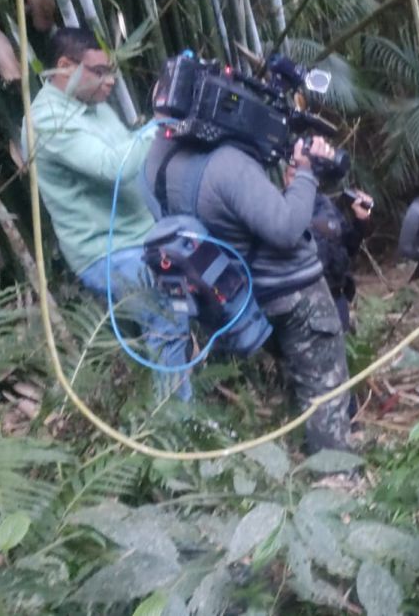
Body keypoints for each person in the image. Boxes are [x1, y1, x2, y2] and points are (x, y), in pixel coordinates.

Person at [143, 127, 354, 454]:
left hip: (244, 296)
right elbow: (285, 227)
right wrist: (307, 173)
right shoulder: (229, 166)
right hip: (293, 292)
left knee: (298, 376)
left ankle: (304, 454)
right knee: (324, 387)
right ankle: (337, 475)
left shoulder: (159, 160)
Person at [23, 27, 191, 399]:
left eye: (111, 70)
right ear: (65, 66)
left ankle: (176, 397)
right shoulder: (46, 120)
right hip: (107, 252)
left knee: (196, 282)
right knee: (167, 315)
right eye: (100, 71)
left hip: (144, 235)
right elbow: (114, 167)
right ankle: (178, 423)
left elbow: (135, 151)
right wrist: (162, 119)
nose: (111, 80)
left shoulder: (93, 107)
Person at [311, 187, 372, 333]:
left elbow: (349, 246)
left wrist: (361, 221)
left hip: (335, 295)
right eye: (292, 175)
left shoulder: (325, 206)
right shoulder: (281, 209)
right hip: (302, 301)